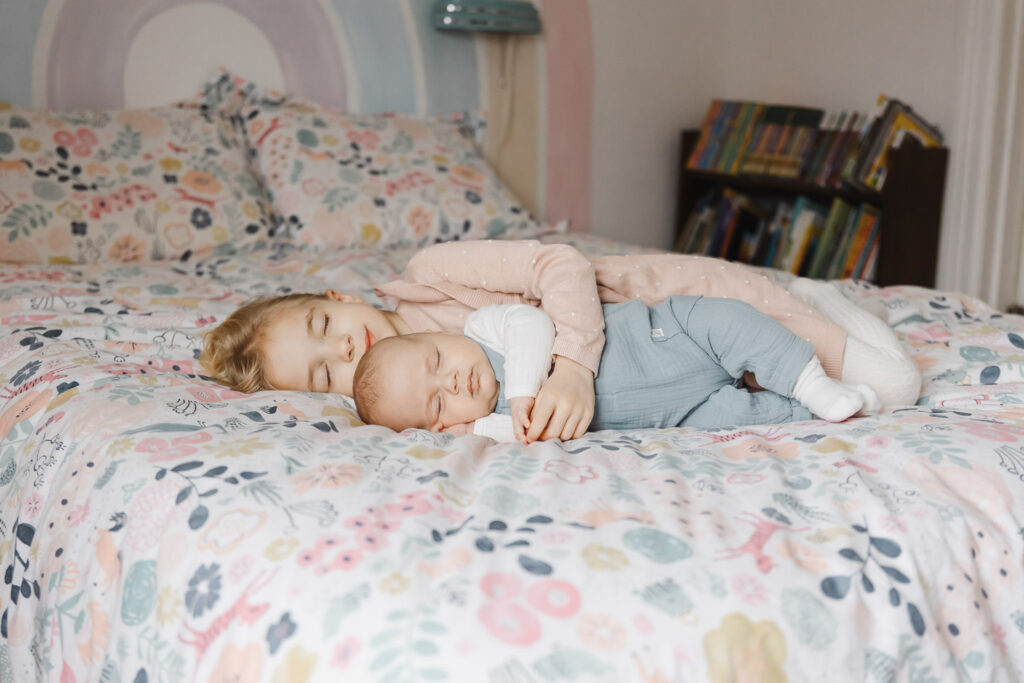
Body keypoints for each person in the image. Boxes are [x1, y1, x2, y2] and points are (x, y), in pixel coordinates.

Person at [200, 240, 920, 442]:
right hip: (667, 398)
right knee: (824, 410)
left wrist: (573, 368)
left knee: (896, 388)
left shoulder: (431, 276)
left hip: (660, 307)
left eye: (324, 328)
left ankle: (824, 298)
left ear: (336, 297)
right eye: (325, 377)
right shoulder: (419, 411)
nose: (345, 352)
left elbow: (560, 265)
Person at [352, 299, 881, 442]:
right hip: (677, 414)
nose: (450, 382)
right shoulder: (490, 426)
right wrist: (481, 425)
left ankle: (814, 383)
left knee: (735, 323)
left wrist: (518, 395)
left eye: (437, 361)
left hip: (671, 335)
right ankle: (826, 408)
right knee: (748, 419)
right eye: (438, 402)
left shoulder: (485, 328)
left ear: (442, 336)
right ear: (442, 427)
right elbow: (518, 438)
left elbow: (534, 324)